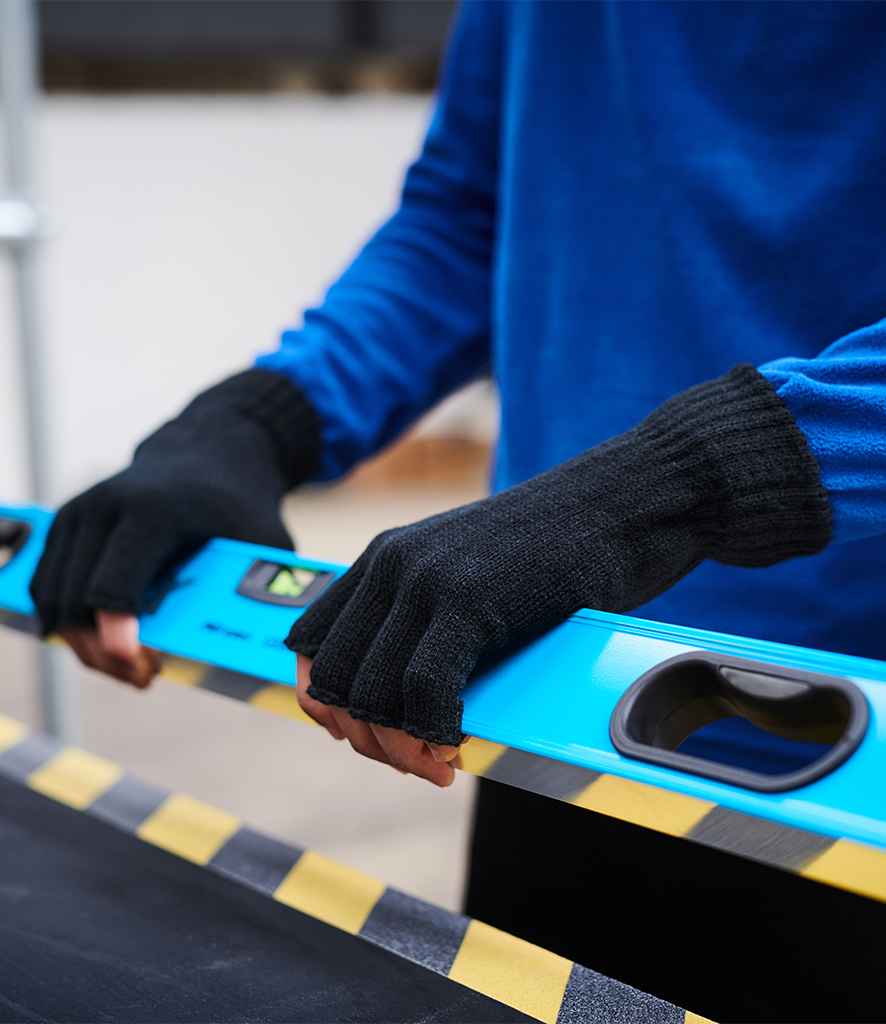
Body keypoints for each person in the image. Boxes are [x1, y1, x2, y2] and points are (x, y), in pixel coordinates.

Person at [30, 3, 886, 1020]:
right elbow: (467, 220)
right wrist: (260, 423)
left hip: (856, 741)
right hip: (561, 699)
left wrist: (665, 490)